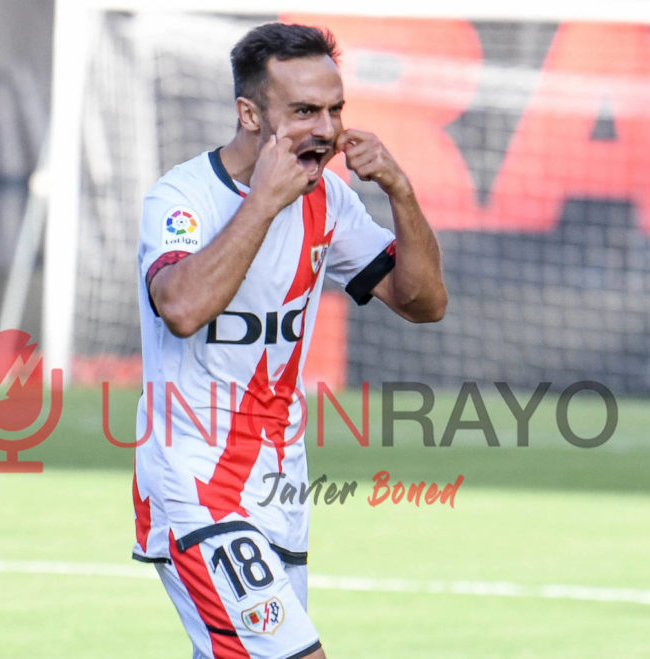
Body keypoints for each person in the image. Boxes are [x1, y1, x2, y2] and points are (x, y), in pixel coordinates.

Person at [133, 23, 446, 658]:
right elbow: (182, 309)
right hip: (196, 483)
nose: (326, 130)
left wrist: (401, 192)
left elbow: (424, 303)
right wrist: (264, 202)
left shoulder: (329, 200)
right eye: (304, 111)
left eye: (335, 110)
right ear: (250, 114)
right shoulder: (182, 198)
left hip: (279, 484)